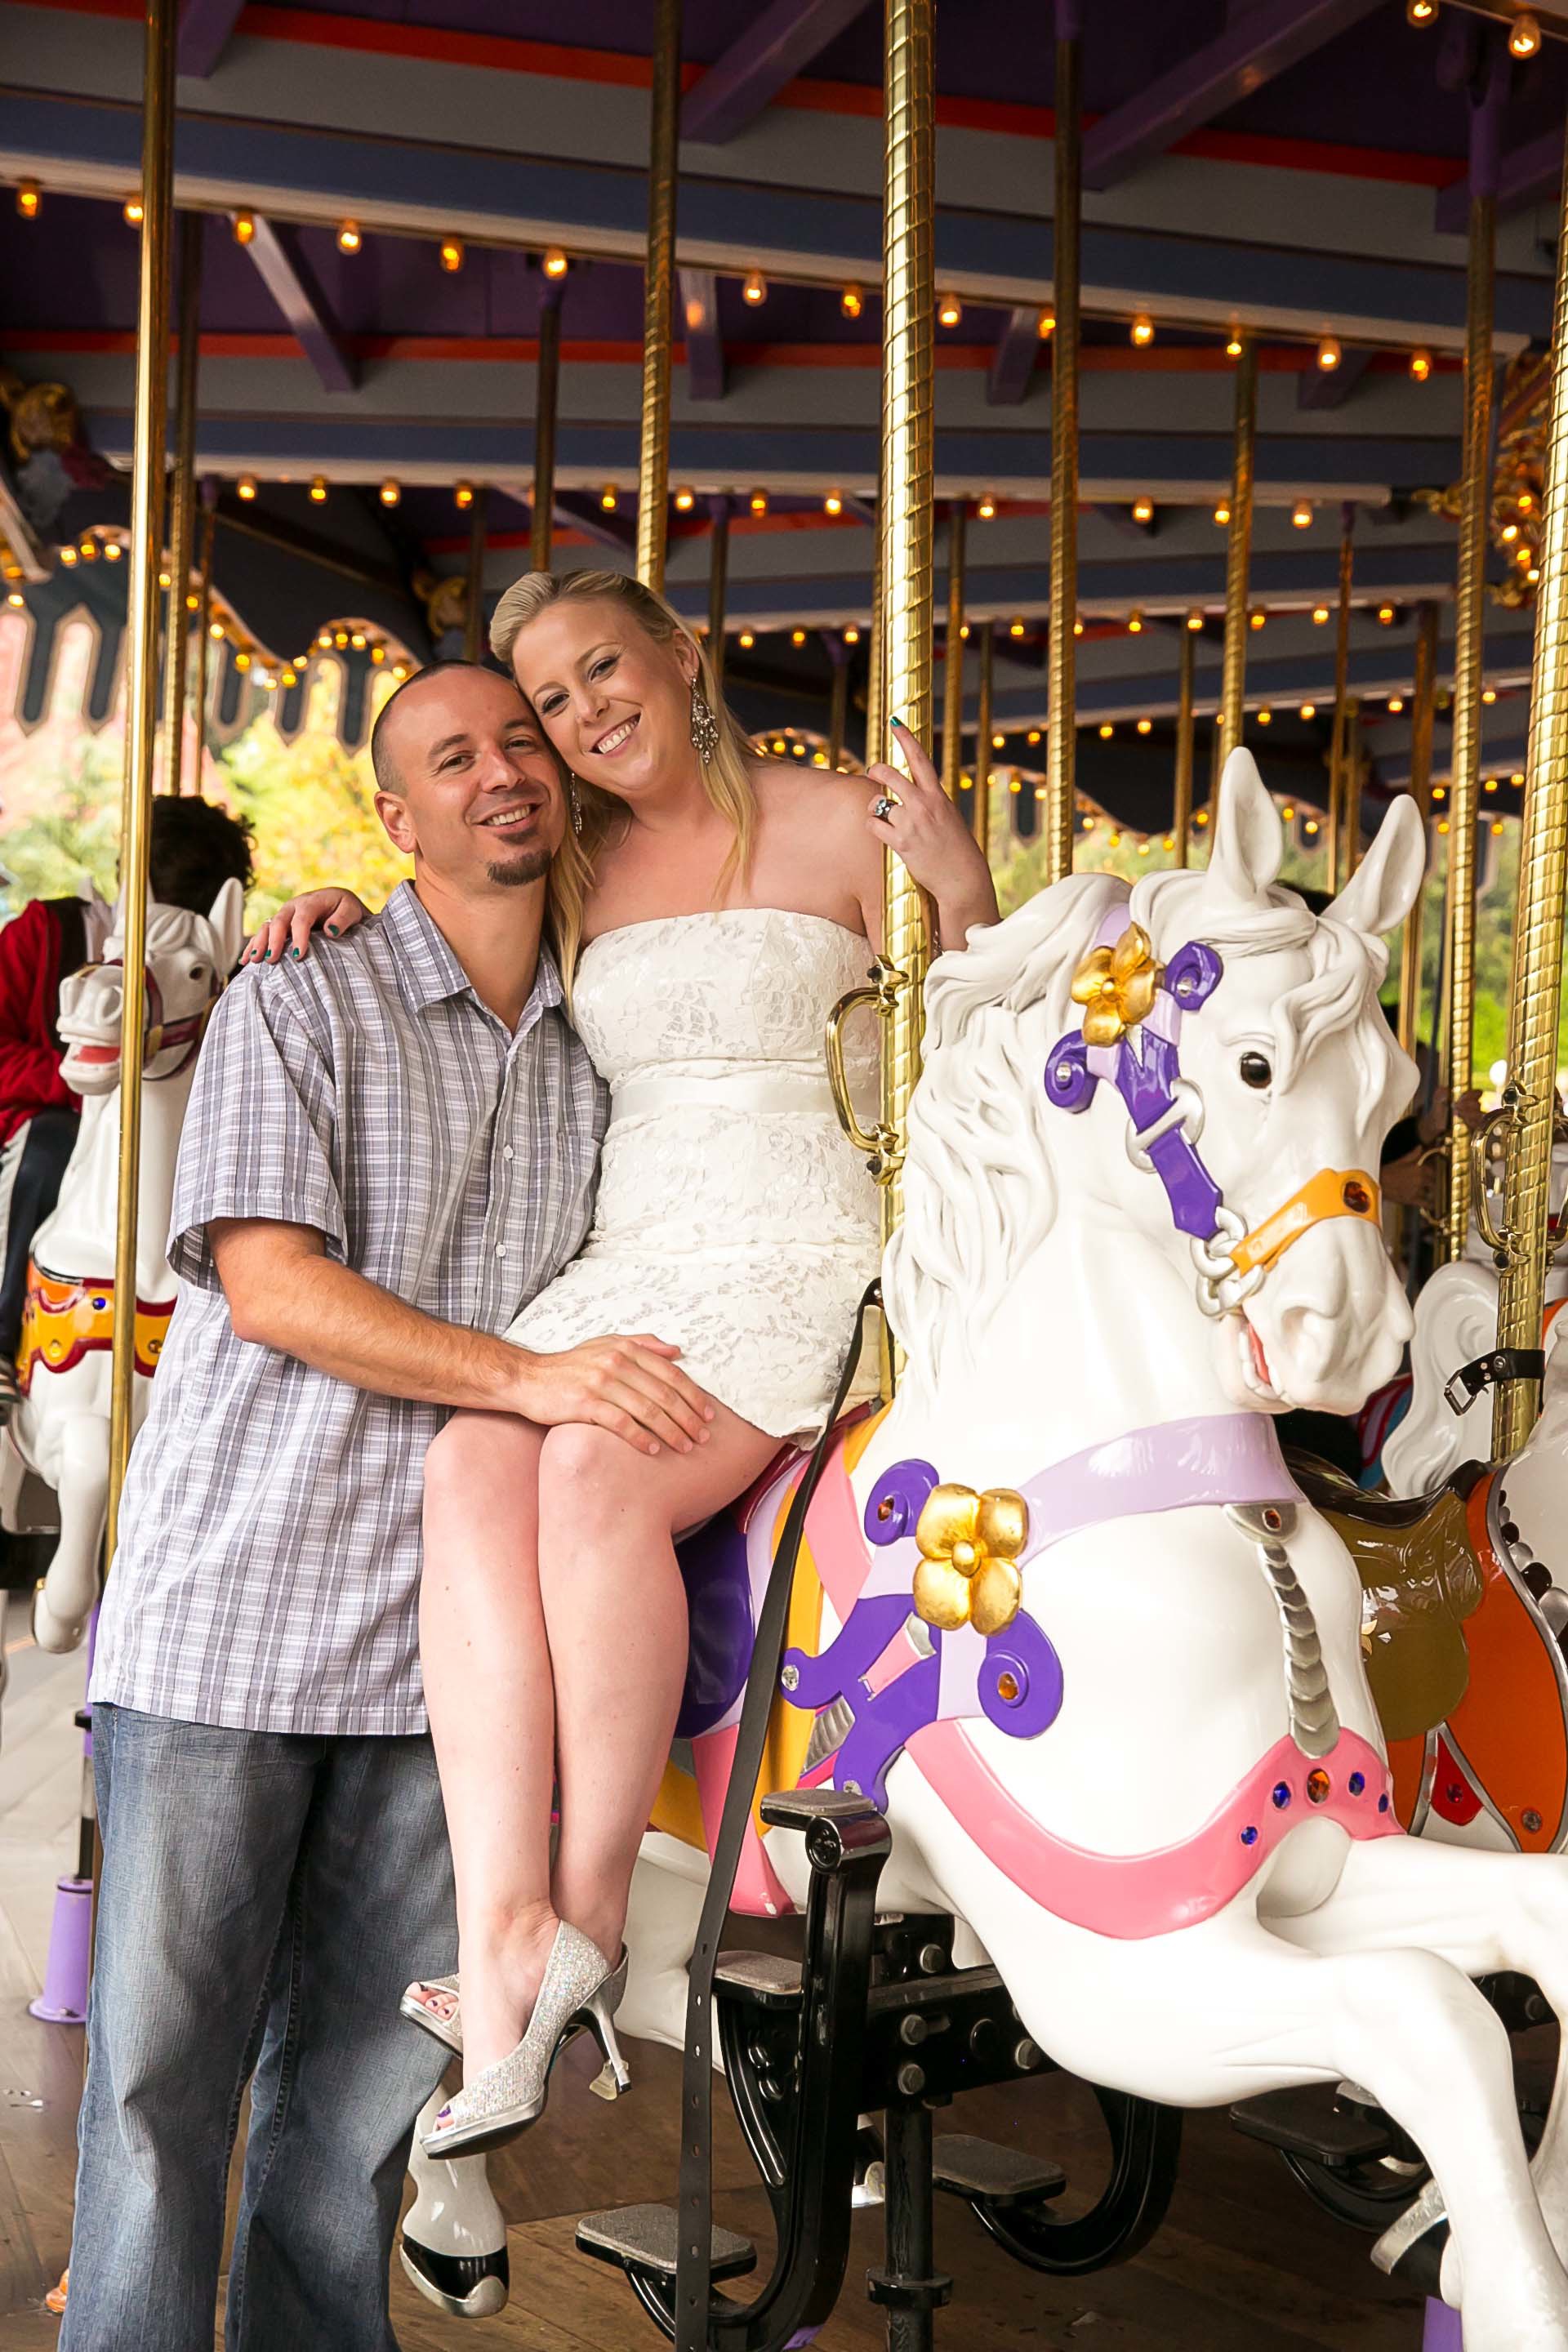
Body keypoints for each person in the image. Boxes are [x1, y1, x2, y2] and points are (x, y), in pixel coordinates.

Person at [252, 568, 997, 2161]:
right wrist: (329, 912)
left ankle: (583, 1911)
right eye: (552, 703)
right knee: (466, 1459)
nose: (587, 715)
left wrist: (961, 885)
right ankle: (504, 1922)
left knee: (588, 1467)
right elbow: (433, 931)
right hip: (629, 1253)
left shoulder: (842, 819)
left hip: (798, 1242)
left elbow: (979, 1048)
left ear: (680, 655)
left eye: (604, 670)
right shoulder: (574, 866)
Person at [64, 666, 708, 2350]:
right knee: (154, 2101)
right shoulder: (304, 998)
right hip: (236, 1622)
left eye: (521, 744)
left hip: (438, 1674)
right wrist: (534, 1382)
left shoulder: (602, 1058)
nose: (501, 773)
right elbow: (273, 1287)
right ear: (395, 819)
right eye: (452, 758)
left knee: (353, 2118)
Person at [0, 796, 255, 1414]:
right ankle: (6, 1335)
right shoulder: (48, 932)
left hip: (179, 1127)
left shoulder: (229, 963)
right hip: (58, 1119)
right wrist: (82, 1078)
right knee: (47, 1147)